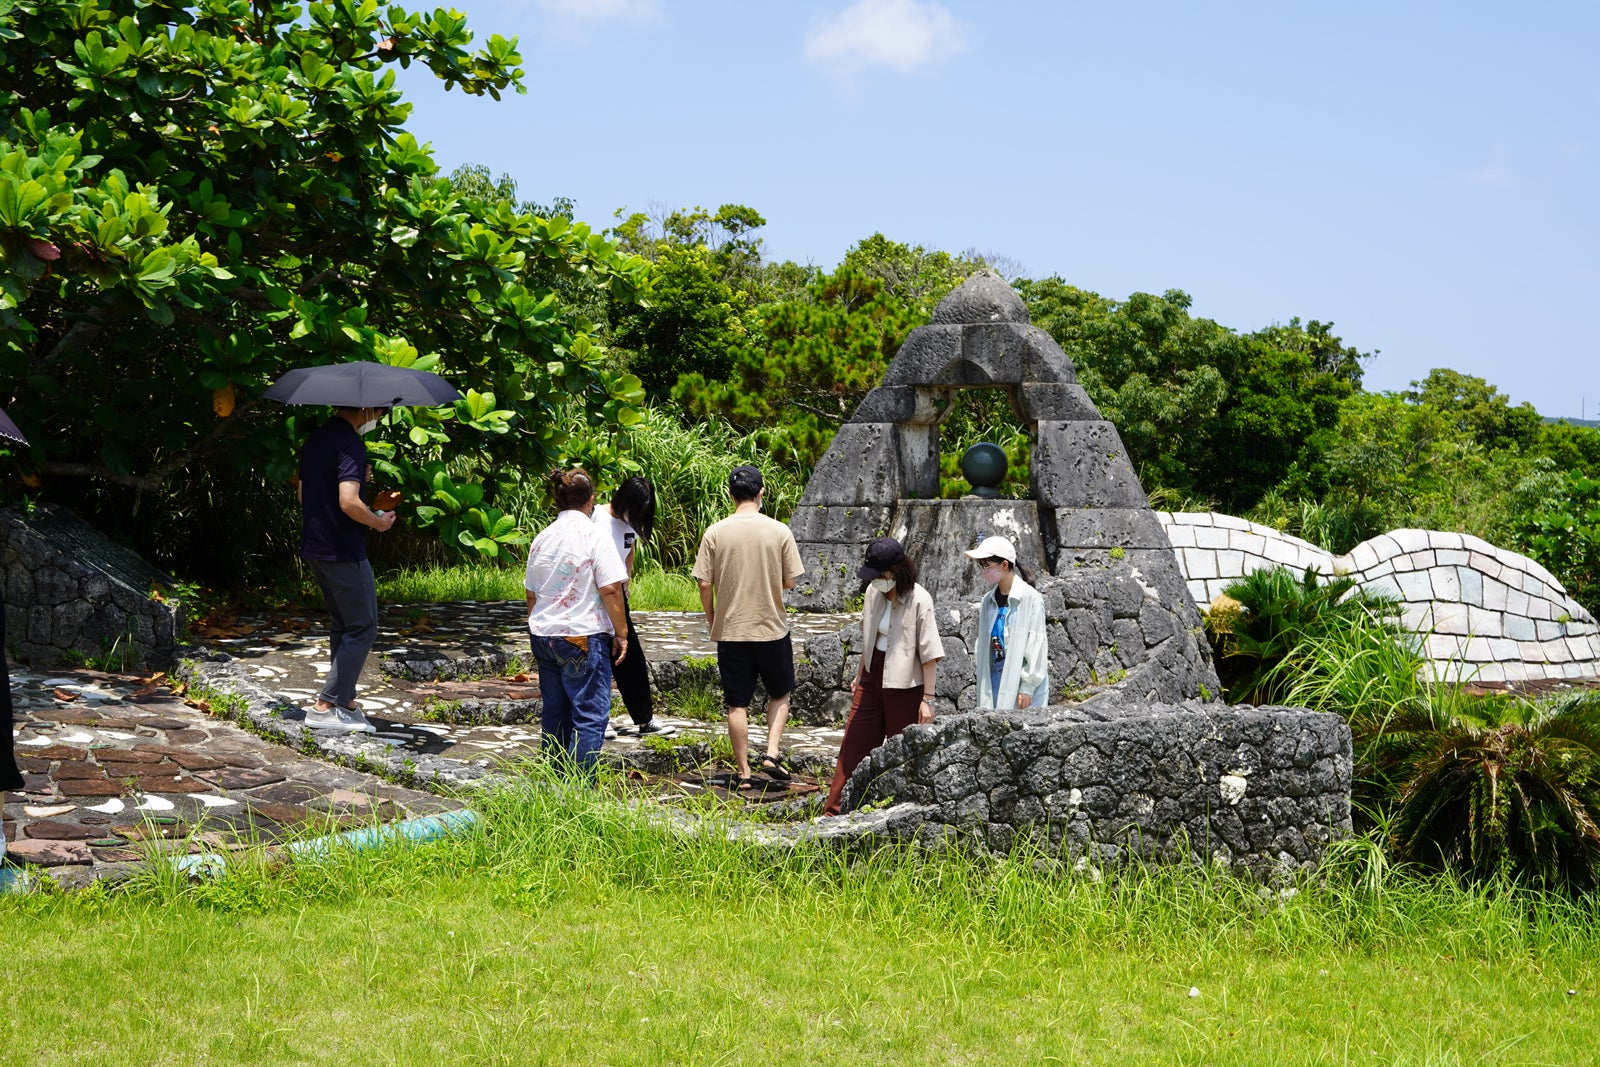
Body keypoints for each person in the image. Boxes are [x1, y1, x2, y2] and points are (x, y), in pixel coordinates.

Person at [692, 465, 805, 789]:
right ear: (761, 492)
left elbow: (703, 582)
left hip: (731, 631)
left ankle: (742, 774)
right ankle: (771, 753)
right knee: (780, 693)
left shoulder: (715, 532)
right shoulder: (779, 531)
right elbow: (790, 581)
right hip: (771, 628)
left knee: (736, 703)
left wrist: (713, 617)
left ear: (731, 495)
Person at [823, 537, 943, 816]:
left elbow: (930, 653)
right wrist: (859, 674)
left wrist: (928, 698)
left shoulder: (919, 599)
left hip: (905, 684)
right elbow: (869, 636)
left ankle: (903, 814)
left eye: (879, 576)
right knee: (853, 742)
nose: (875, 581)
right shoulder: (873, 594)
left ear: (894, 572)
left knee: (903, 751)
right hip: (871, 675)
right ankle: (833, 812)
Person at [297, 404, 398, 733]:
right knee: (363, 627)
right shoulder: (350, 443)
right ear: (366, 409)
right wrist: (379, 522)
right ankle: (325, 705)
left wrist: (356, 475)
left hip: (316, 545)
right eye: (380, 413)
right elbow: (349, 502)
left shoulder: (315, 439)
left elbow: (303, 493)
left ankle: (345, 699)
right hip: (342, 548)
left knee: (343, 623)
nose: (378, 419)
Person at [525, 467, 630, 778]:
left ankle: (553, 784)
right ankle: (581, 787)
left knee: (555, 713)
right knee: (590, 714)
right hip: (582, 636)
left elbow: (531, 594)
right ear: (591, 501)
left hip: (544, 636)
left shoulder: (542, 538)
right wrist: (622, 632)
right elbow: (610, 588)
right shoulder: (594, 535)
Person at [592, 476, 676, 739]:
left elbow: (629, 550)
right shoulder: (595, 517)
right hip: (593, 598)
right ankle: (599, 719)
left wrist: (627, 579)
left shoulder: (630, 525)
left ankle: (645, 719)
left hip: (617, 596)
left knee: (631, 658)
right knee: (599, 659)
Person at [965, 535, 1050, 710]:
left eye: (986, 566)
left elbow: (1037, 644)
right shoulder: (988, 601)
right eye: (981, 566)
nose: (983, 572)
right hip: (994, 678)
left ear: (1004, 565)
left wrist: (1027, 687)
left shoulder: (1030, 598)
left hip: (1022, 687)